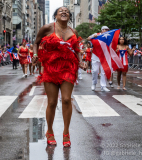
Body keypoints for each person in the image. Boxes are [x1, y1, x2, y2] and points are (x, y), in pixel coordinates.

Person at [33, 6, 85, 148]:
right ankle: (49, 132)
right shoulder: (47, 28)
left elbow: (77, 50)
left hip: (68, 68)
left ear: (69, 16)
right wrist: (36, 55)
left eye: (67, 12)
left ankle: (66, 133)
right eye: (61, 11)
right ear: (55, 15)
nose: (64, 12)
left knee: (67, 100)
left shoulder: (73, 31)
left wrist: (81, 62)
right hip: (50, 68)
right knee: (52, 102)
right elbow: (36, 43)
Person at [88, 26, 111, 92]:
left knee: (103, 72)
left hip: (104, 56)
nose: (105, 31)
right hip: (95, 55)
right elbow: (88, 38)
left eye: (107, 30)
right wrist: (93, 37)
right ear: (101, 30)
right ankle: (94, 84)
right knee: (95, 71)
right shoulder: (96, 34)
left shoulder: (108, 37)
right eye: (104, 29)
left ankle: (103, 86)